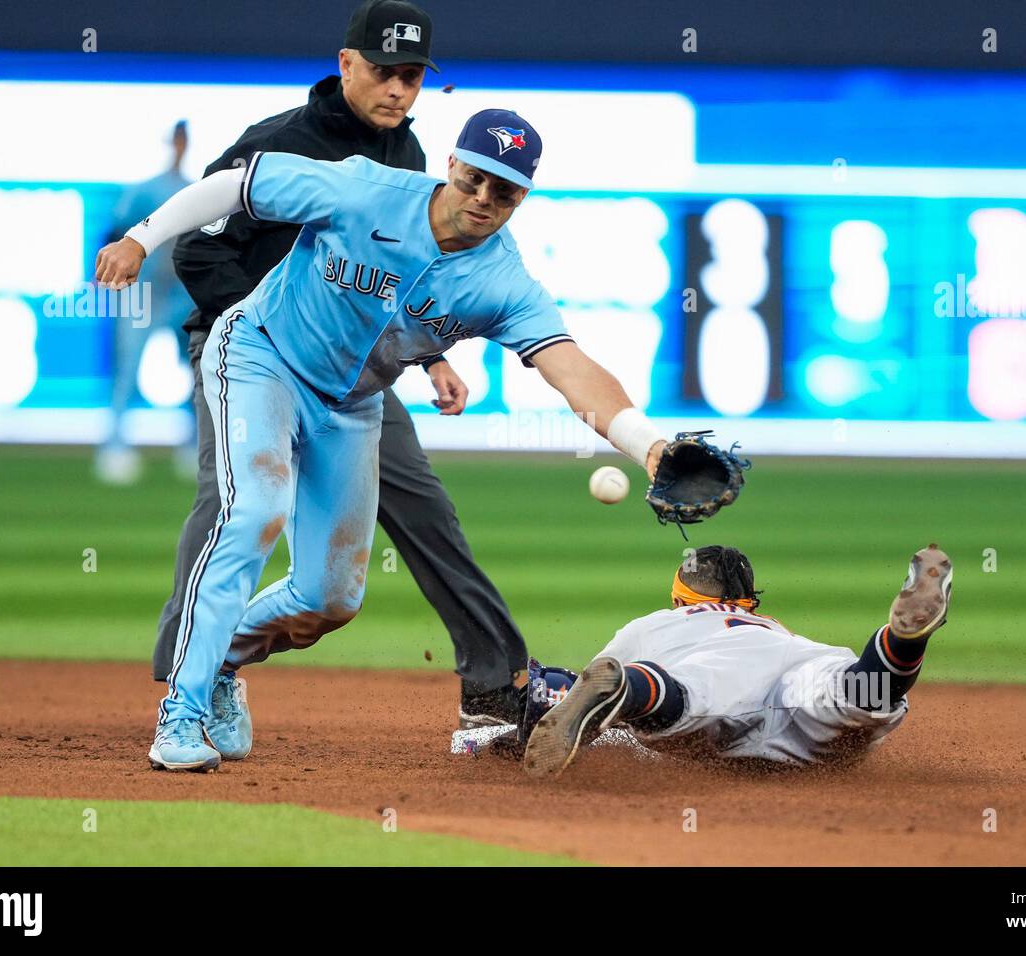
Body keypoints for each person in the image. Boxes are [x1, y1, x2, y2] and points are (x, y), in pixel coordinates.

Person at [95, 107, 674, 772]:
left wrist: (650, 448)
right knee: (255, 508)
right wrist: (143, 237)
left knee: (329, 599)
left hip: (353, 403)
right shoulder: (366, 190)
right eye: (476, 178)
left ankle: (220, 660)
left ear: (523, 197)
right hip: (262, 356)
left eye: (505, 190)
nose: (484, 198)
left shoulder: (503, 282)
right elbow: (237, 185)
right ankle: (183, 712)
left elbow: (570, 367)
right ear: (453, 164)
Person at [155, 0, 532, 730]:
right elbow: (197, 245)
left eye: (413, 76)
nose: (399, 89)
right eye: (386, 72)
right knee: (233, 504)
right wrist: (265, 334)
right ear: (346, 65)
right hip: (248, 351)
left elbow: (410, 278)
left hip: (355, 373)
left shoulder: (413, 159)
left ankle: (496, 681)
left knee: (424, 506)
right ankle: (184, 679)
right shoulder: (278, 142)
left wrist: (434, 361)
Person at [521, 544, 954, 776]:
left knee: (683, 697)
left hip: (722, 679)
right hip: (796, 665)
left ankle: (632, 686)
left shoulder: (656, 623)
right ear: (748, 600)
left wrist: (496, 737)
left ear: (679, 596)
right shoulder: (768, 624)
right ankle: (902, 641)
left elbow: (581, 706)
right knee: (855, 692)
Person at [94, 120, 194, 485]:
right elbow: (115, 233)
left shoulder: (192, 190)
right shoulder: (146, 190)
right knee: (127, 371)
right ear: (172, 143)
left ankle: (194, 446)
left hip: (182, 293)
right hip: (141, 291)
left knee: (197, 371)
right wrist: (104, 277)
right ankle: (114, 446)